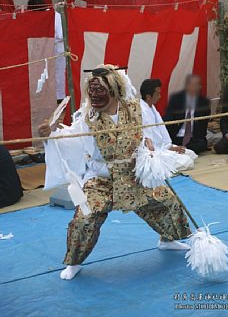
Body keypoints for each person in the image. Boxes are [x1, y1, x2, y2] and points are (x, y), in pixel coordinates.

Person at [39, 64, 191, 281]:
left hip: (133, 174)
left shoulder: (135, 108)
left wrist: (148, 143)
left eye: (100, 91)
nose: (94, 96)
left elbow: (148, 132)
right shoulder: (87, 116)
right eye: (91, 92)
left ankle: (167, 240)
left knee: (167, 201)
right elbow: (72, 138)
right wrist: (51, 132)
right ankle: (74, 262)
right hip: (101, 179)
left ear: (114, 90)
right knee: (86, 217)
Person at [140, 79, 197, 170]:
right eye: (157, 94)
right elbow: (151, 141)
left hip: (164, 147)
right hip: (156, 151)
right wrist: (170, 149)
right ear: (148, 96)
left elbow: (162, 130)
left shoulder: (152, 107)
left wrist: (170, 146)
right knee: (188, 162)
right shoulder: (142, 111)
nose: (160, 96)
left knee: (192, 155)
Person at [27, 0, 66, 102]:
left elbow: (61, 35)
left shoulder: (54, 16)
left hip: (57, 48)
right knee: (47, 72)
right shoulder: (40, 17)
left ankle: (60, 96)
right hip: (46, 48)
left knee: (58, 72)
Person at [164, 75, 210, 155]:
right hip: (177, 135)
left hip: (193, 137)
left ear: (199, 87)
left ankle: (183, 149)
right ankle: (181, 149)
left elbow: (203, 126)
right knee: (168, 144)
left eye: (195, 85)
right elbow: (168, 118)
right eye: (191, 85)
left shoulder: (204, 102)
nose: (193, 88)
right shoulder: (176, 99)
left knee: (202, 144)